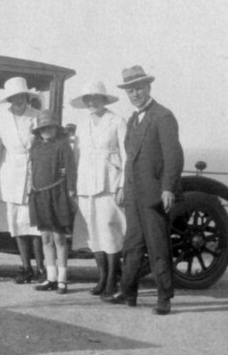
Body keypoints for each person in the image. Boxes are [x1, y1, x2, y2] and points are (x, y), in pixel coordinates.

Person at [104, 66, 184, 315]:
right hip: (134, 194)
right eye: (130, 90)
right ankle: (128, 292)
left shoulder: (163, 116)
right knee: (132, 245)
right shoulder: (132, 119)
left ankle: (164, 298)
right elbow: (130, 159)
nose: (135, 94)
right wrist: (124, 188)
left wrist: (168, 188)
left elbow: (173, 156)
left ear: (148, 87)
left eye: (138, 88)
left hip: (154, 195)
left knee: (158, 247)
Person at [69, 81, 127, 300]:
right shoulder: (82, 124)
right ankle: (102, 277)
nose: (91, 102)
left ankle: (113, 278)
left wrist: (122, 185)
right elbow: (77, 157)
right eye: (87, 99)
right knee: (93, 232)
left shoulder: (117, 121)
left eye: (95, 98)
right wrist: (75, 186)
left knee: (109, 230)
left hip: (109, 183)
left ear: (104, 99)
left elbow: (126, 156)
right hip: (86, 184)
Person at [0, 76, 45, 284]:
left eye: (21, 96)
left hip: (33, 171)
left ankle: (41, 267)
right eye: (14, 97)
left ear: (26, 96)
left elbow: (43, 146)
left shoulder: (37, 115)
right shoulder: (2, 117)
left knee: (35, 225)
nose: (18, 100)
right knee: (16, 224)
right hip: (10, 173)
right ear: (9, 99)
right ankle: (26, 267)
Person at [28, 110, 77, 294]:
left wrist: (70, 191)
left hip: (57, 195)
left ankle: (62, 279)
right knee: (46, 238)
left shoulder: (63, 145)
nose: (46, 131)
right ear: (38, 131)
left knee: (59, 238)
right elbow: (32, 170)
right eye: (43, 128)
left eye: (49, 127)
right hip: (39, 195)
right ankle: (51, 277)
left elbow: (70, 169)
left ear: (56, 129)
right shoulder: (36, 147)